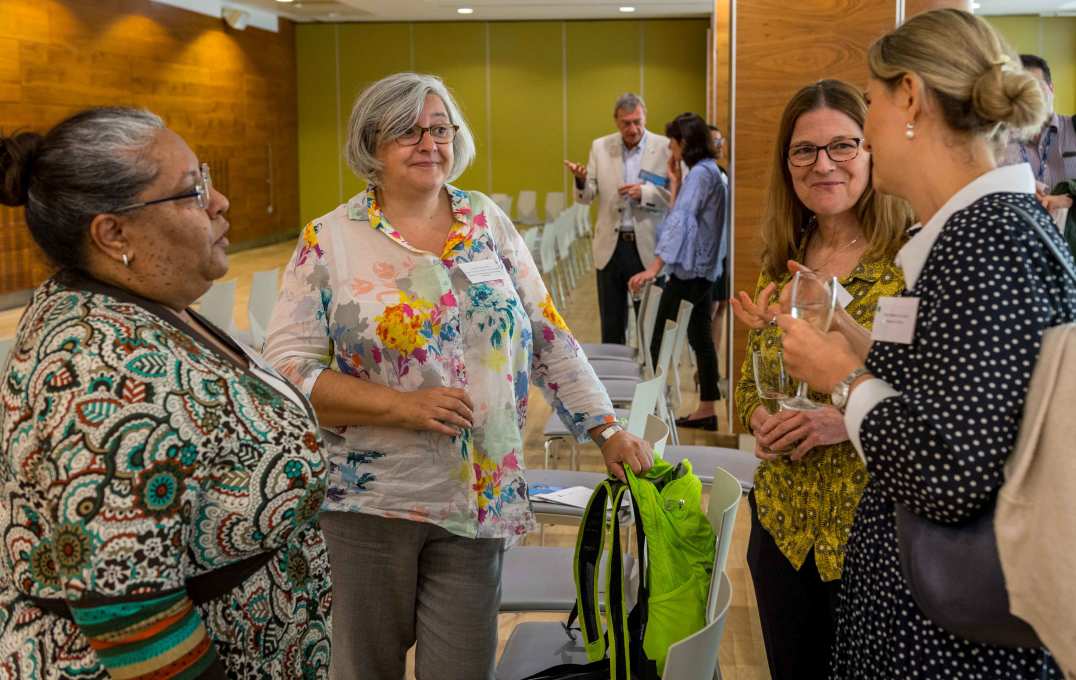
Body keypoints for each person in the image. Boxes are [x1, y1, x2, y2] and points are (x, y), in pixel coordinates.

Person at [263, 72, 654, 680]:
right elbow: (287, 373)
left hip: (479, 500)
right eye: (407, 131)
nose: (428, 143)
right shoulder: (330, 240)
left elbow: (548, 333)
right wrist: (402, 407)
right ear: (371, 142)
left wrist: (606, 428)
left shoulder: (485, 222)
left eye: (439, 129)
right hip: (372, 504)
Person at [778, 10, 1074, 678]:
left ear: (910, 97)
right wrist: (847, 332)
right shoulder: (980, 234)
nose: (869, 129)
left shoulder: (987, 243)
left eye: (872, 100)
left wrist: (839, 377)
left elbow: (947, 470)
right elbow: (948, 395)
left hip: (951, 647)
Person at [0, 108, 331, 678]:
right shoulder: (98, 366)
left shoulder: (142, 306)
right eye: (191, 192)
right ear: (114, 232)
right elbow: (128, 614)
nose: (219, 201)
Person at [727, 80, 912, 679]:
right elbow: (754, 379)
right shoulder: (787, 253)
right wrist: (758, 415)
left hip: (871, 535)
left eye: (843, 146)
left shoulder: (908, 258)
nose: (823, 164)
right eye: (804, 150)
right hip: (782, 524)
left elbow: (927, 397)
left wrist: (844, 419)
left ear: (872, 151)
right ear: (787, 164)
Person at [628, 113, 728, 430]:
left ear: (683, 143)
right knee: (701, 338)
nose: (670, 151)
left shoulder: (702, 174)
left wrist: (654, 267)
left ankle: (654, 411)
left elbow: (682, 221)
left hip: (691, 272)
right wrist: (675, 181)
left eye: (672, 144)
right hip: (703, 270)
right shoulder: (706, 172)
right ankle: (707, 409)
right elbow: (685, 213)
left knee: (658, 338)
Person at [565, 93, 672, 345]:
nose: (633, 129)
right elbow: (587, 196)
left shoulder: (665, 147)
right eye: (626, 123)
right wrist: (581, 180)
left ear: (645, 117)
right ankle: (615, 381)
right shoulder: (600, 147)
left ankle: (650, 379)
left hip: (647, 245)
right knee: (612, 324)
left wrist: (644, 192)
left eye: (638, 121)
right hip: (610, 247)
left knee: (651, 325)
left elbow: (675, 196)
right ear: (616, 121)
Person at [1002, 54, 1076, 213]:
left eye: (1036, 87)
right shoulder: (995, 142)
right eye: (1020, 90)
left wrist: (1070, 200)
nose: (1030, 97)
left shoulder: (1074, 127)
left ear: (1052, 88)